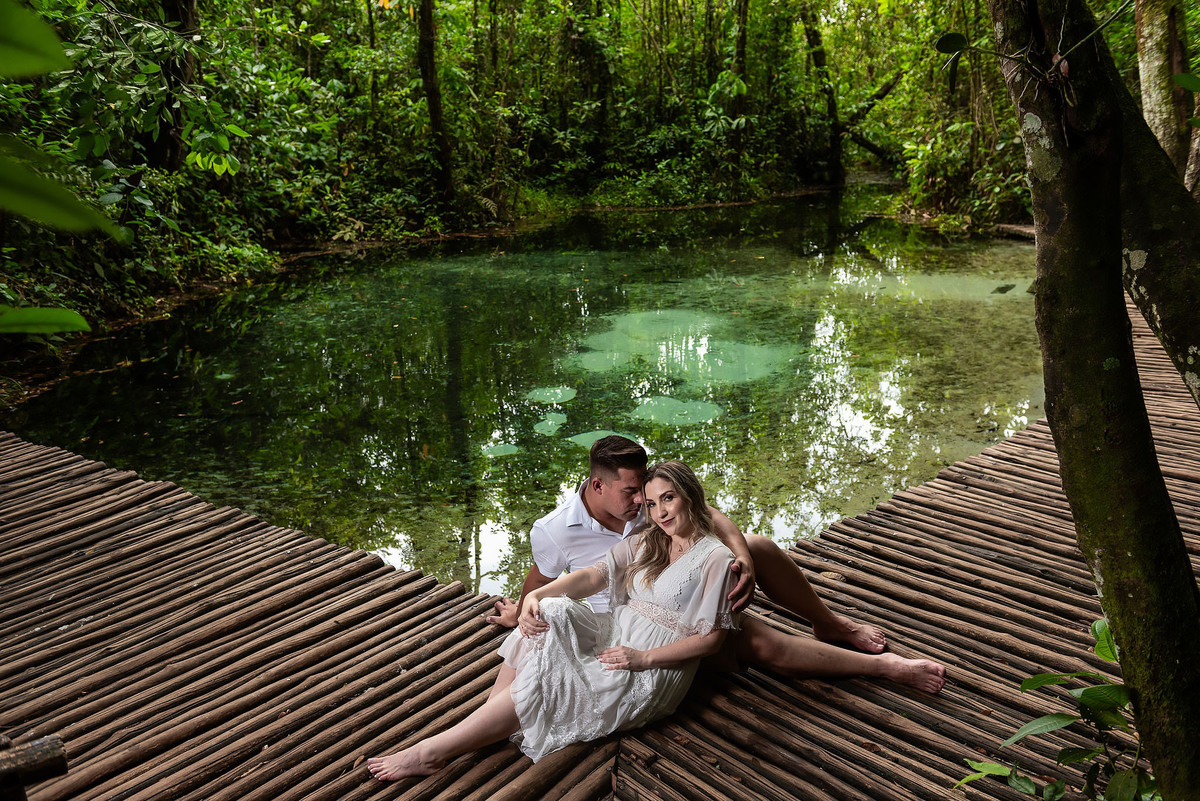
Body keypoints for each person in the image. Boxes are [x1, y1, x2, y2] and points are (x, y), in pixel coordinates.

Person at [367, 461, 740, 779]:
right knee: (550, 609)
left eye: (669, 499)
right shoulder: (650, 540)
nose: (660, 512)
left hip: (652, 661)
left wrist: (641, 659)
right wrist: (536, 595)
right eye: (652, 503)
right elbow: (594, 576)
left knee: (552, 682)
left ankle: (434, 750)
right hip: (615, 630)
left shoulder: (715, 558)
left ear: (690, 494)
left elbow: (711, 641)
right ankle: (484, 723)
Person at [486, 435, 945, 692]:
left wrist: (741, 558)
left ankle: (829, 623)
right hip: (632, 618)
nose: (645, 506)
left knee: (758, 544)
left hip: (675, 583)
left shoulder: (647, 503)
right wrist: (524, 606)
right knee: (761, 644)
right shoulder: (553, 530)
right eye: (634, 495)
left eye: (649, 495)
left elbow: (709, 515)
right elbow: (546, 577)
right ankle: (886, 668)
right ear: (597, 486)